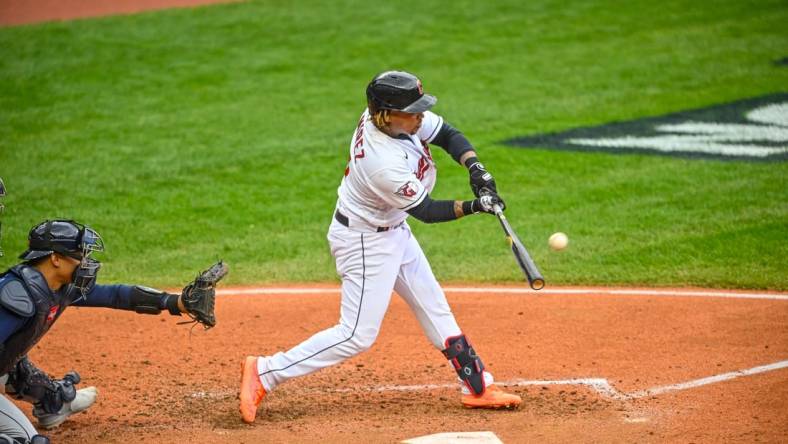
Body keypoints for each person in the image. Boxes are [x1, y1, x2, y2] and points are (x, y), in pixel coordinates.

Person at [240, 70, 521, 423]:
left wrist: (477, 169)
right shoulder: (381, 162)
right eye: (413, 111)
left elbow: (448, 134)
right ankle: (266, 371)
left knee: (432, 303)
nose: (421, 116)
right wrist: (475, 205)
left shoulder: (397, 119)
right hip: (364, 241)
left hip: (392, 229)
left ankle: (477, 386)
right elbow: (428, 212)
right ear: (387, 114)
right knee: (356, 334)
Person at [0, 219, 221, 444]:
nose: (86, 262)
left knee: (16, 365)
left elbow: (114, 295)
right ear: (55, 258)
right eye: (79, 255)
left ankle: (53, 403)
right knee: (26, 441)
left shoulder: (57, 286)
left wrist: (176, 302)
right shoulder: (17, 296)